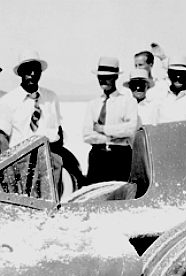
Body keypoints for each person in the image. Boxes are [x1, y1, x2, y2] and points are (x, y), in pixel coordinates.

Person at [0, 49, 84, 192]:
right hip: (20, 163)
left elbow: (58, 130)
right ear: (20, 73)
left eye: (36, 70)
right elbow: (2, 138)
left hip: (50, 161)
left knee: (51, 206)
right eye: (27, 70)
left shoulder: (51, 98)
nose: (32, 74)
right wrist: (8, 169)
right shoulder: (8, 101)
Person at [83, 56, 138, 184]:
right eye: (100, 76)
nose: (103, 80)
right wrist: (114, 137)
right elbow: (87, 135)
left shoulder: (128, 101)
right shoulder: (93, 104)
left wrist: (102, 129)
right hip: (98, 157)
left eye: (108, 76)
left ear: (116, 77)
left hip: (120, 158)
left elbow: (130, 129)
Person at [156, 56, 186, 123]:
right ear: (168, 75)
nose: (178, 78)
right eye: (174, 74)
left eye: (182, 74)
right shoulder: (158, 97)